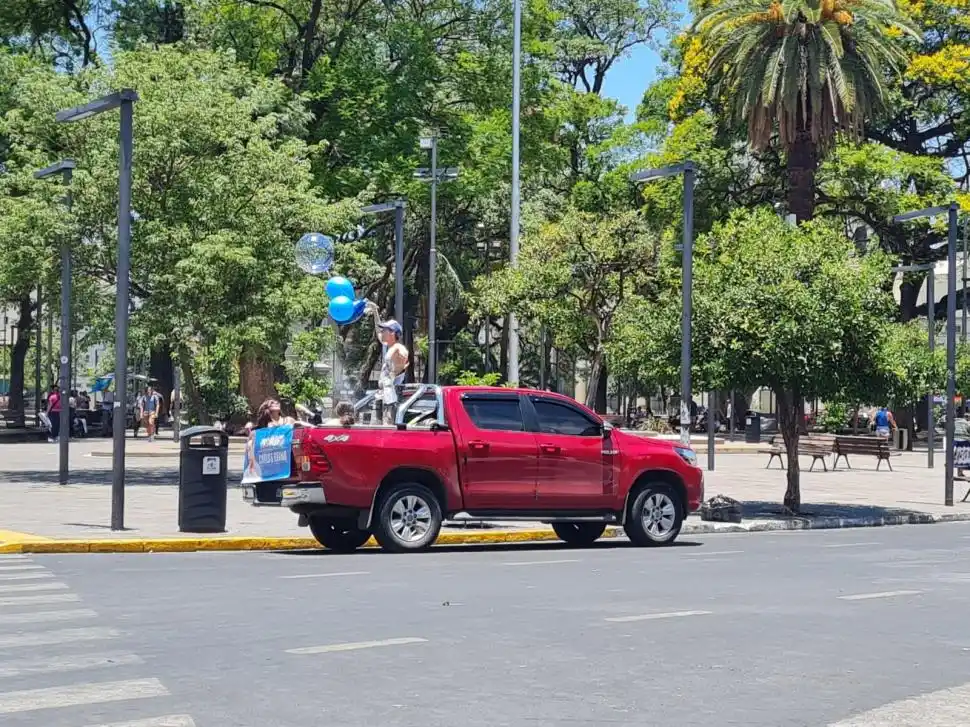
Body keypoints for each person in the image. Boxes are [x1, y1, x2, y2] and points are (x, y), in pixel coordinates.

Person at [367, 303, 409, 425]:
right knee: (376, 426)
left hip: (392, 396)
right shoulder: (387, 346)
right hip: (382, 394)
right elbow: (377, 330)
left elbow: (402, 352)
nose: (382, 332)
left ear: (392, 333)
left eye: (385, 330)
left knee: (388, 425)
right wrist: (375, 312)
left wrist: (400, 356)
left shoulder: (397, 347)